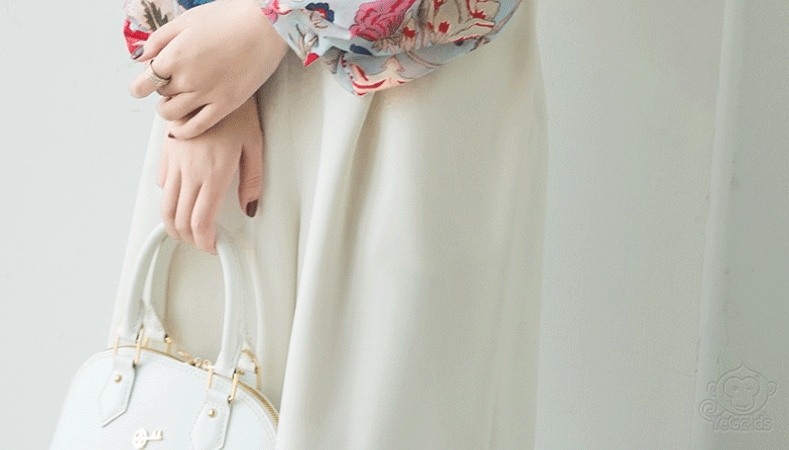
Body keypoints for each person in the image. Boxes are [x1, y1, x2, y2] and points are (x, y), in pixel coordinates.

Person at [110, 0, 548, 446]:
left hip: (420, 78)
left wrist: (267, 20)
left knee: (390, 406)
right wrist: (195, 83)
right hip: (219, 73)